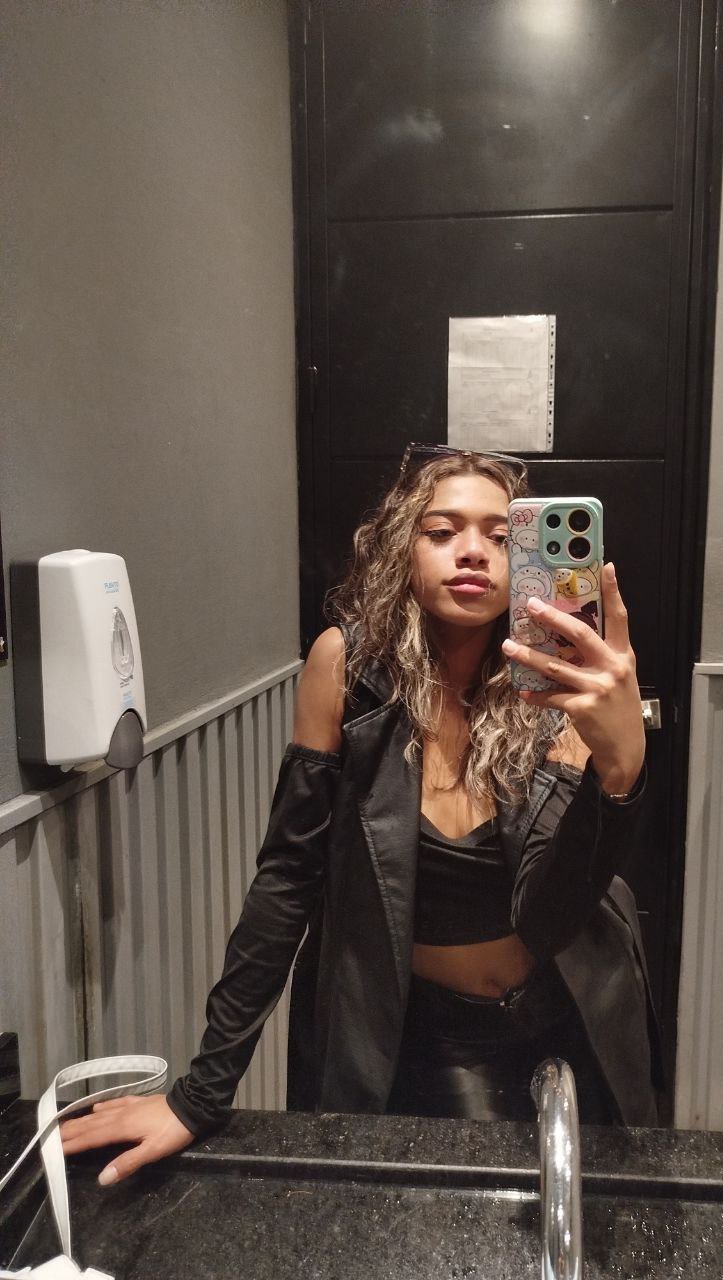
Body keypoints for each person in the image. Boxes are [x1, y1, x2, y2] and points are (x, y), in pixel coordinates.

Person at [60, 444, 660, 1186]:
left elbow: (546, 916)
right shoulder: (346, 671)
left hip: (574, 1007)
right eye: (442, 531)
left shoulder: (563, 684)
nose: (473, 551)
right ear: (403, 547)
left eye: (503, 537)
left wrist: (619, 774)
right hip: (422, 1030)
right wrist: (201, 1094)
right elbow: (287, 879)